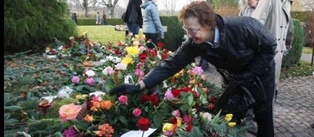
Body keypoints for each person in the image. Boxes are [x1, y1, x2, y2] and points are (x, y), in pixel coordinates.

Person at [110, 1, 277, 137]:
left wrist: (250, 73)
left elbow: (270, 47)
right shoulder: (195, 43)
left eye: (193, 30)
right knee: (228, 116)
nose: (189, 35)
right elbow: (171, 64)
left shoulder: (243, 27)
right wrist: (141, 84)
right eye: (186, 30)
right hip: (234, 78)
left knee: (263, 116)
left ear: (208, 25)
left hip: (261, 74)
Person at [251, 0, 291, 99]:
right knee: (258, 98)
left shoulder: (287, 3)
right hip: (264, 59)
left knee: (270, 97)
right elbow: (254, 27)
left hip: (275, 59)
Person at [238, 0, 260, 135]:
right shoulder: (244, 9)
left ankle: (260, 115)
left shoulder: (266, 6)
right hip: (247, 53)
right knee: (247, 85)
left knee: (263, 88)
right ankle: (247, 117)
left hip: (262, 52)